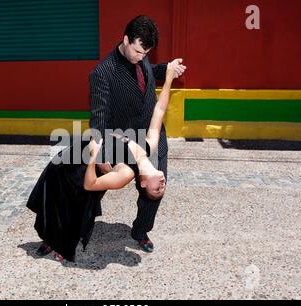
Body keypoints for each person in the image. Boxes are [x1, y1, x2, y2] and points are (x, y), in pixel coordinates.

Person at [26, 61, 184, 262]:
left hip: (82, 168)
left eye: (156, 190)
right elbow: (160, 109)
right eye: (162, 189)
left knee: (67, 204)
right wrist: (169, 78)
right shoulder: (149, 146)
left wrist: (93, 158)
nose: (162, 186)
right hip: (76, 154)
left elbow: (90, 183)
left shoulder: (126, 173)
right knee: (56, 196)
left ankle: (57, 240)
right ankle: (52, 239)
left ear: (144, 183)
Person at [89, 15, 186, 253]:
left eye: (146, 53)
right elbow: (99, 114)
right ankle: (79, 226)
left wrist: (168, 69)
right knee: (95, 188)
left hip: (152, 136)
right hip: (120, 140)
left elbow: (148, 72)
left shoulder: (140, 58)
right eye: (138, 52)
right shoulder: (104, 72)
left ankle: (141, 230)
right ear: (125, 40)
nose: (141, 57)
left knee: (155, 188)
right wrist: (100, 152)